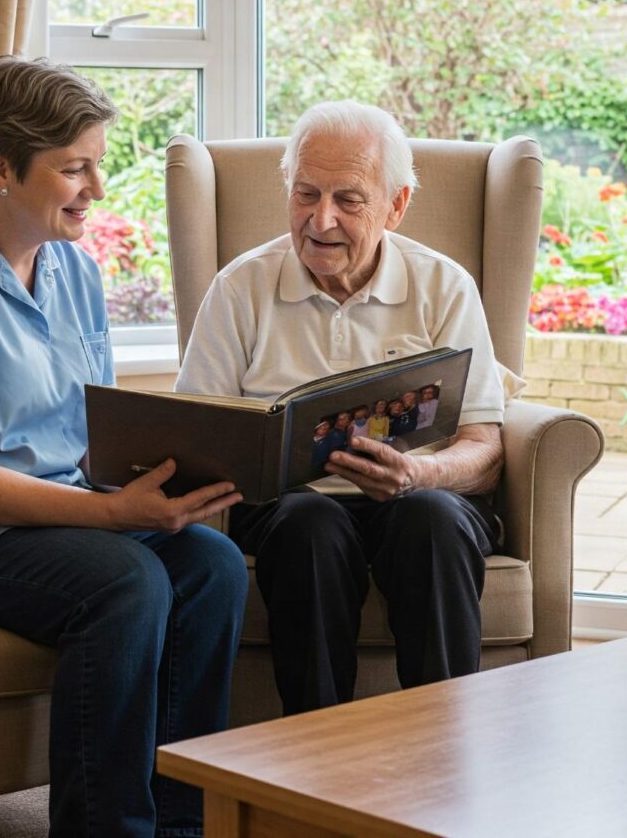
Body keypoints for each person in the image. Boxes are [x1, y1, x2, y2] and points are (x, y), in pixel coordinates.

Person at [0, 56, 248, 838]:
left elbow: (87, 437)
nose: (97, 190)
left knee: (214, 565)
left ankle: (181, 825)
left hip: (62, 508)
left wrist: (159, 481)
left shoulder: (74, 270)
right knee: (126, 581)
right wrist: (110, 519)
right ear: (2, 167)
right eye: (75, 169)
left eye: (97, 165)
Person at [175, 99, 504, 716]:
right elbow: (198, 437)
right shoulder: (240, 287)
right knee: (309, 525)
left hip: (418, 498)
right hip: (288, 512)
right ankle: (317, 755)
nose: (319, 220)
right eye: (305, 194)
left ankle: (446, 750)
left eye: (348, 200)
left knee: (430, 520)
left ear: (396, 206)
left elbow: (485, 450)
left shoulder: (444, 286)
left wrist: (419, 473)